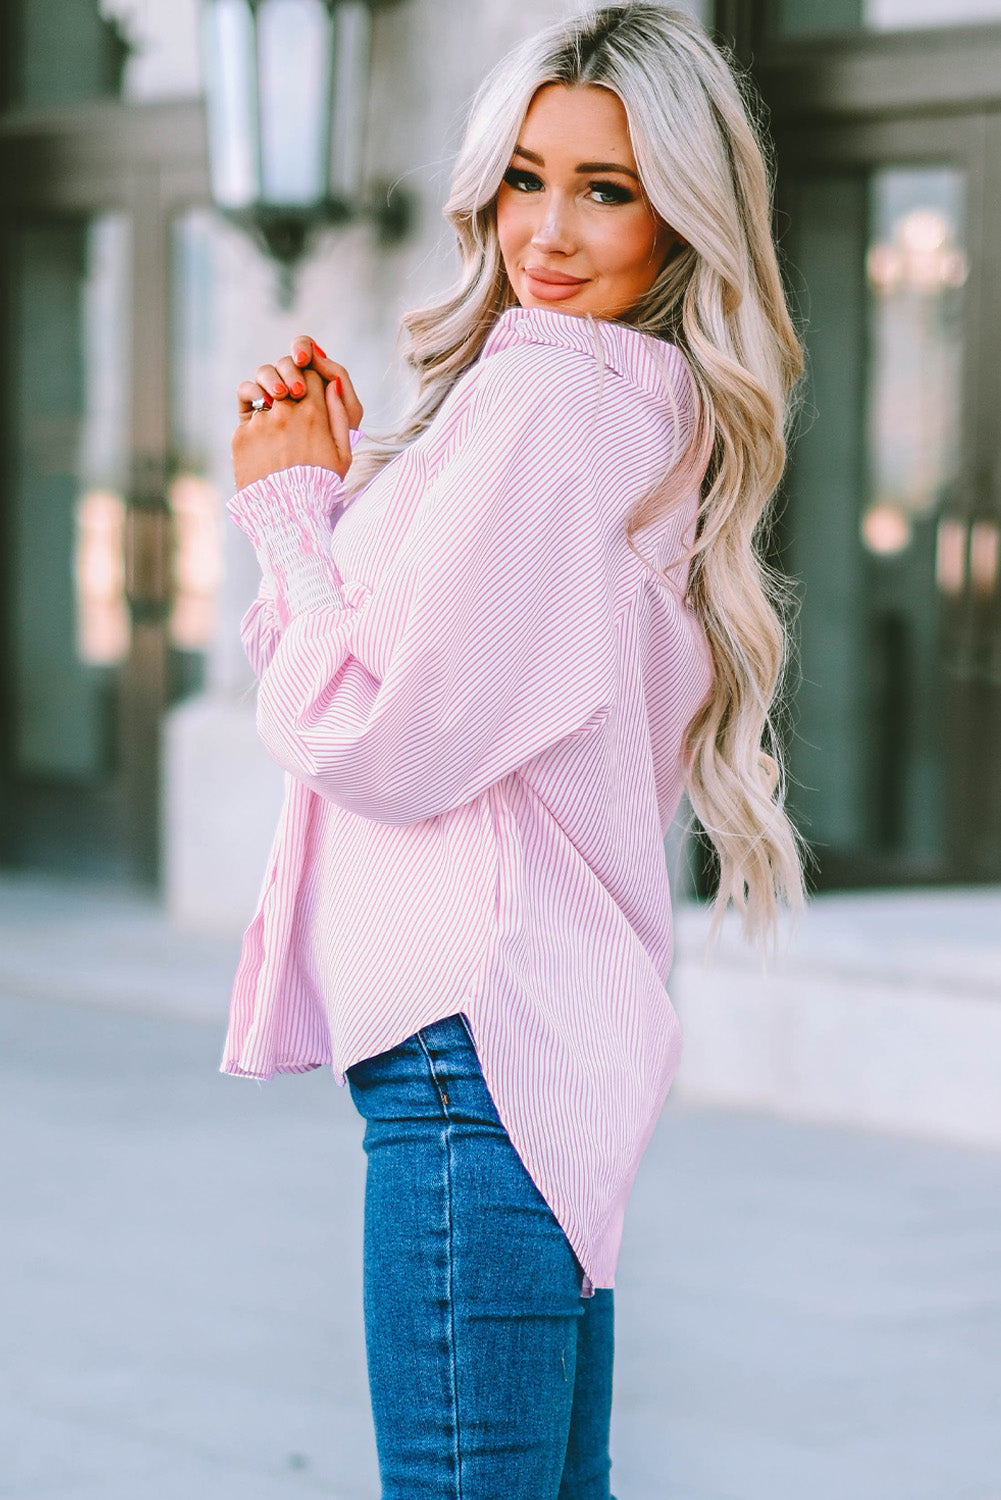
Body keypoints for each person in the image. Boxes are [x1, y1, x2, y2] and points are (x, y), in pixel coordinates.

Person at [222, 5, 804, 1496]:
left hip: (464, 1047)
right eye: (524, 176)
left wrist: (290, 518)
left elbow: (377, 735)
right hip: (534, 1035)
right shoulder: (638, 407)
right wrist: (348, 510)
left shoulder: (549, 395)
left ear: (683, 208)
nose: (545, 228)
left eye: (603, 188)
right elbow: (456, 692)